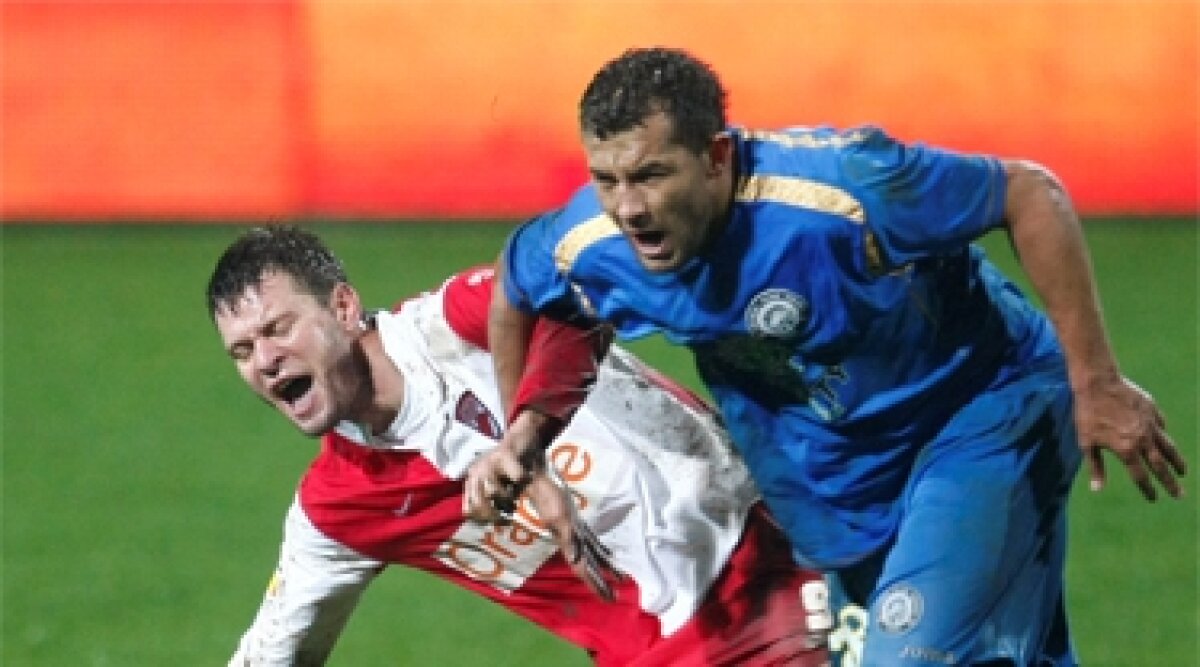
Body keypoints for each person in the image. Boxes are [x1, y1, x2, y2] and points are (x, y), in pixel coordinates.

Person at [466, 47, 1188, 666]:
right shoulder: (590, 240)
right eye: (607, 179)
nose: (628, 207)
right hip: (835, 487)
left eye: (652, 175)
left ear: (716, 157)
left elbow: (1028, 192)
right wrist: (523, 441)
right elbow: (518, 293)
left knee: (908, 655)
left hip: (979, 419)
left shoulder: (842, 188)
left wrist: (1095, 381)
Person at [206, 226, 831, 666]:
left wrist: (524, 443)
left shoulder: (456, 324)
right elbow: (271, 652)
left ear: (344, 308)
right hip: (664, 654)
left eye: (278, 328)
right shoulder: (339, 506)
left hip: (767, 562)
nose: (265, 360)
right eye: (242, 350)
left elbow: (578, 293)